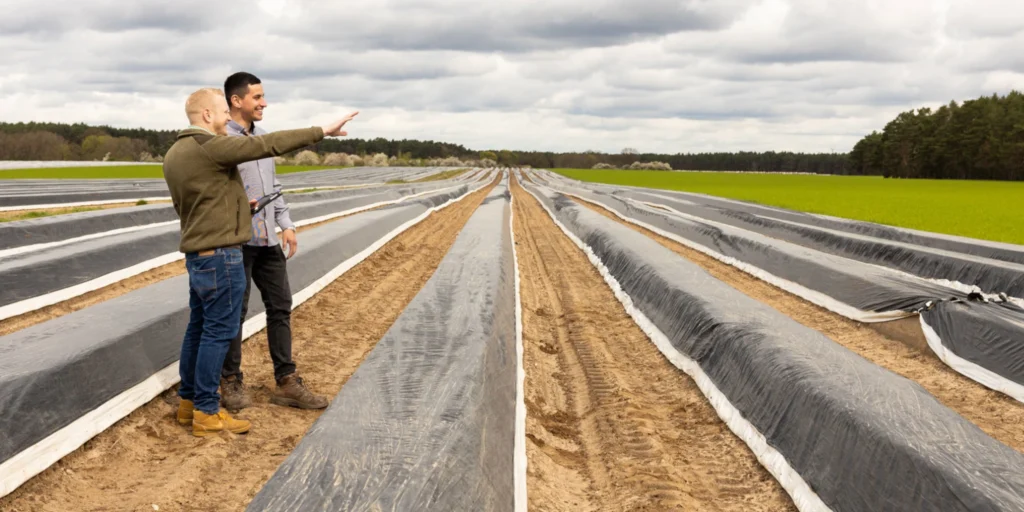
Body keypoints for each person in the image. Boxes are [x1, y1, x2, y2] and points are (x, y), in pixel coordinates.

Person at [162, 87, 357, 436]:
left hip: (199, 253)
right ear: (207, 115)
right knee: (218, 332)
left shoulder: (176, 152)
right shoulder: (211, 146)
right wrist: (322, 132)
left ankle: (189, 403)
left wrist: (240, 208)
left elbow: (196, 204)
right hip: (221, 254)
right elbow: (266, 145)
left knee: (198, 329)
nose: (226, 118)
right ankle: (207, 411)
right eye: (222, 111)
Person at [216, 71, 327, 412]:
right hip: (237, 240)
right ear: (237, 101)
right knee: (234, 312)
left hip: (267, 240)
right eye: (257, 97)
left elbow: (272, 188)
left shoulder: (262, 140)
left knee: (280, 306)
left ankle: (286, 380)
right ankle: (231, 381)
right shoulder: (221, 141)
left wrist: (286, 223)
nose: (264, 103)